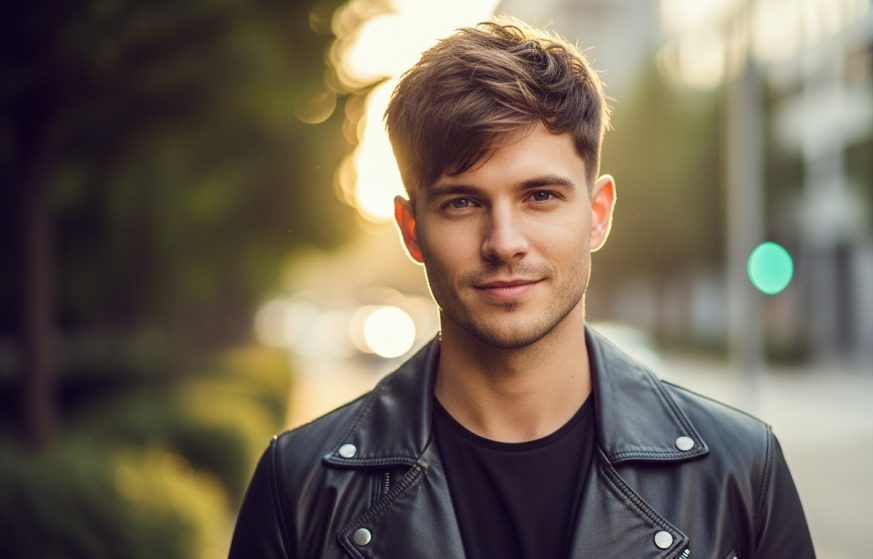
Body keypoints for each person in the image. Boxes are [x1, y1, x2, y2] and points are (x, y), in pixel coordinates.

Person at [230, 17, 815, 559]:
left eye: (540, 196)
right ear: (412, 230)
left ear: (598, 214)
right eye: (462, 202)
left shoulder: (742, 471)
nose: (504, 242)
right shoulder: (299, 486)